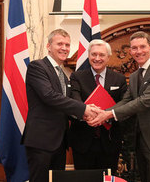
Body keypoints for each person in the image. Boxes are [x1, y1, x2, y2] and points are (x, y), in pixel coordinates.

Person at [87, 31, 150, 182]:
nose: (139, 51)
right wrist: (103, 113)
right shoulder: (136, 75)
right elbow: (127, 100)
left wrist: (108, 115)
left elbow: (143, 101)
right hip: (140, 137)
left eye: (142, 47)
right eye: (134, 48)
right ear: (130, 51)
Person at [21, 29, 98, 182]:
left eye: (67, 45)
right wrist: (84, 109)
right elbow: (49, 96)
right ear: (49, 46)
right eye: (60, 44)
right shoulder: (37, 67)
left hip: (60, 142)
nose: (64, 48)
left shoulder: (63, 74)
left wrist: (86, 113)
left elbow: (66, 106)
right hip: (41, 141)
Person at [69, 39, 127, 172]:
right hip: (82, 142)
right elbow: (75, 99)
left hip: (110, 142)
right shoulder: (77, 77)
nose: (97, 58)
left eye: (101, 55)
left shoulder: (119, 79)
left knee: (107, 179)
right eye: (93, 54)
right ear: (88, 55)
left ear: (108, 57)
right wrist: (87, 114)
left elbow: (124, 104)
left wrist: (105, 116)